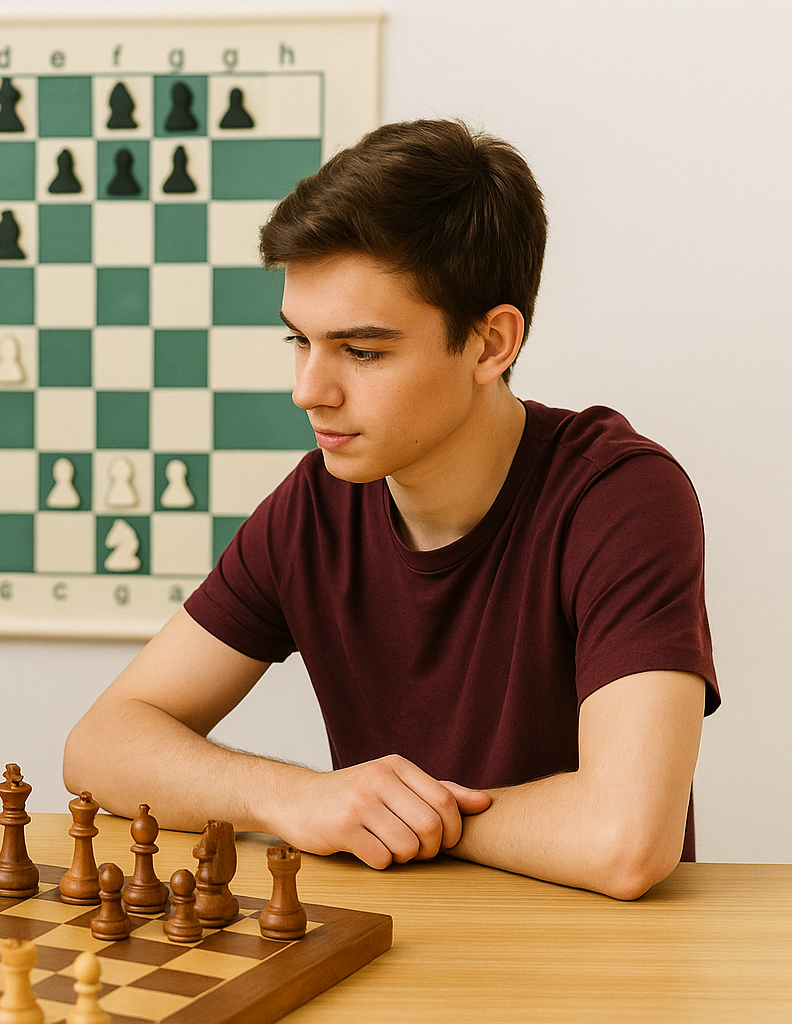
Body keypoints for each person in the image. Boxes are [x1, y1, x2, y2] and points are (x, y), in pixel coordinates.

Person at [63, 119, 718, 900]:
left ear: (489, 344)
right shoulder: (314, 507)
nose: (308, 389)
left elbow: (625, 841)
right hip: (387, 948)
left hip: (595, 971)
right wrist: (298, 798)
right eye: (299, 341)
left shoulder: (621, 499)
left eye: (362, 351)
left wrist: (388, 818)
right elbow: (102, 743)